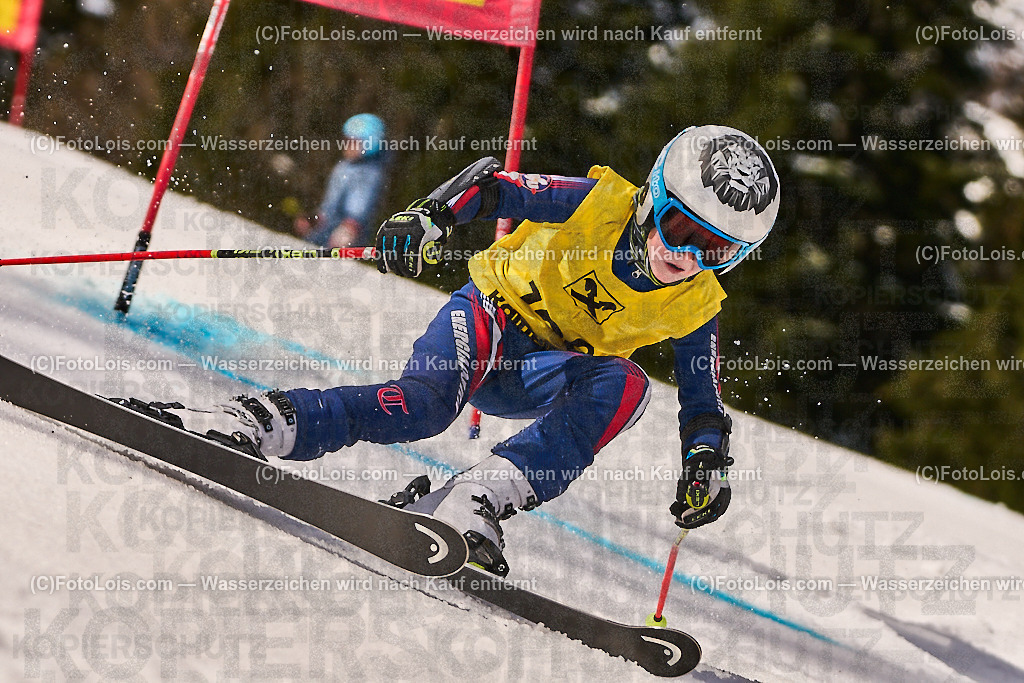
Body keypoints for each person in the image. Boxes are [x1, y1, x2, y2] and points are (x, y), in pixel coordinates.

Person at [161, 125, 780, 577]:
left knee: (629, 386)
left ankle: (472, 499)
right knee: (423, 408)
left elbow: (704, 401)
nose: (688, 259)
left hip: (542, 372)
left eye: (717, 250)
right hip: (489, 316)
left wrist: (706, 462)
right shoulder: (601, 205)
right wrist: (431, 217)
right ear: (652, 200)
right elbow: (497, 190)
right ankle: (255, 423)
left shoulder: (698, 303)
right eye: (681, 231)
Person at [294, 113, 389, 247]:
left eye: (354, 142)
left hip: (345, 234)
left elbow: (359, 206)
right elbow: (330, 205)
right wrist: (315, 220)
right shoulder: (343, 167)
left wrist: (350, 227)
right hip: (326, 229)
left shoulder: (369, 174)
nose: (347, 146)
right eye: (346, 140)